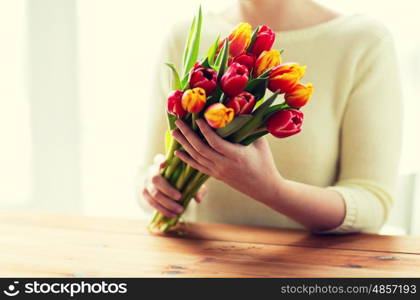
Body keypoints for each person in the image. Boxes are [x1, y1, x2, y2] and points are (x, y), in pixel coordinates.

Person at [139, 0, 402, 234]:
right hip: (190, 266)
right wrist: (157, 189)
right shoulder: (182, 35)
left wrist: (271, 190)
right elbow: (145, 176)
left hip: (307, 273)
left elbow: (372, 202)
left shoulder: (364, 42)